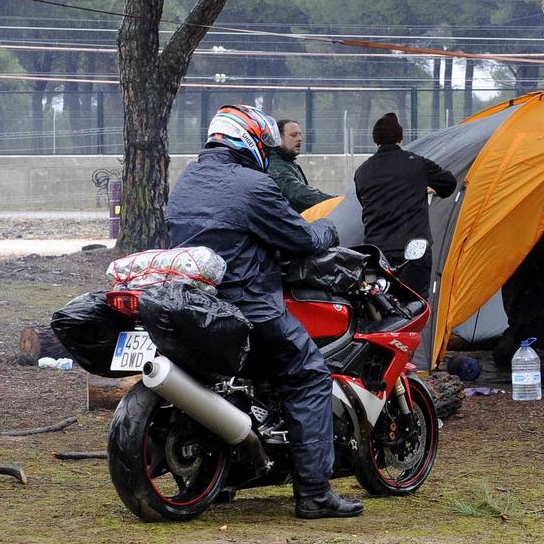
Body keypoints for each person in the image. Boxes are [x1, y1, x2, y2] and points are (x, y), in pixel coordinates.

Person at [166, 103, 363, 519]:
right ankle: (314, 492)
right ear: (250, 141)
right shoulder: (254, 184)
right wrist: (331, 227)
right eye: (262, 142)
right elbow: (300, 239)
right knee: (308, 372)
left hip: (195, 306)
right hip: (249, 304)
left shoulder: (187, 180)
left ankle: (218, 479)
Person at [354, 112, 456, 301]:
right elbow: (449, 183)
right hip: (413, 251)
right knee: (413, 306)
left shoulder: (362, 171)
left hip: (377, 253)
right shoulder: (416, 164)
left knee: (379, 305)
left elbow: (364, 202)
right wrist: (427, 189)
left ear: (376, 141)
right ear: (401, 138)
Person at [493, 207, 544, 384]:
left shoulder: (524, 246)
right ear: (542, 224)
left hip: (521, 320)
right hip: (543, 321)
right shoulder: (539, 250)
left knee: (509, 351)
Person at [269, 119, 333, 212]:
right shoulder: (275, 166)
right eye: (293, 135)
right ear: (278, 138)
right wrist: (335, 201)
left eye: (300, 134)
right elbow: (298, 193)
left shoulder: (289, 163)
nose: (299, 139)